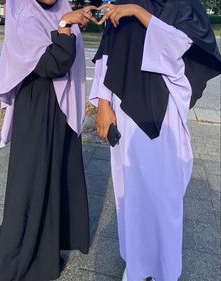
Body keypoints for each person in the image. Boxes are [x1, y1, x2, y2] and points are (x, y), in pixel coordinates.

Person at [89, 1, 221, 281]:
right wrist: (103, 104)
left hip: (166, 113)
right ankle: (136, 265)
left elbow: (187, 49)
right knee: (131, 191)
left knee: (165, 195)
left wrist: (139, 13)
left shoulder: (185, 6)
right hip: (124, 112)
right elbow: (107, 56)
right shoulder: (123, 2)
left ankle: (165, 270)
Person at [0, 0, 98, 280]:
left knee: (54, 176)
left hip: (57, 107)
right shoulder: (22, 11)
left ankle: (46, 254)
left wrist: (69, 21)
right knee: (29, 183)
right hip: (36, 106)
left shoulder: (61, 7)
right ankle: (14, 263)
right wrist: (64, 25)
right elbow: (53, 64)